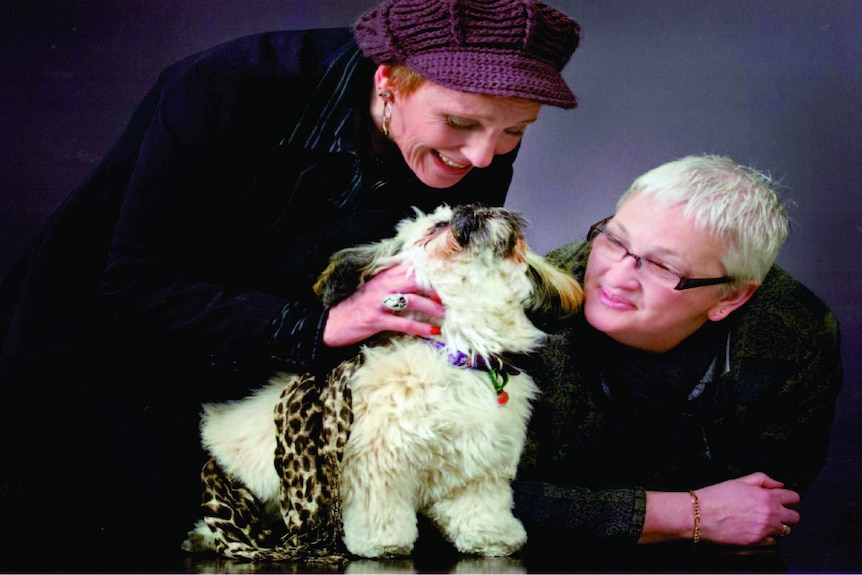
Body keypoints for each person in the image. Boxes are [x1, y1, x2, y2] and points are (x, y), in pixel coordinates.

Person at [0, 0, 581, 569]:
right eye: (459, 123)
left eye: (515, 132)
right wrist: (325, 324)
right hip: (100, 346)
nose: (483, 157)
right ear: (389, 82)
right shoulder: (225, 85)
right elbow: (134, 282)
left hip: (262, 384)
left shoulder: (476, 144)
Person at [513, 155, 842, 567]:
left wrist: (582, 510)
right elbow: (477, 501)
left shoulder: (793, 332)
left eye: (664, 266)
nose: (616, 276)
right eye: (614, 240)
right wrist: (688, 513)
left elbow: (756, 512)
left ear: (730, 297)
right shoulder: (526, 308)